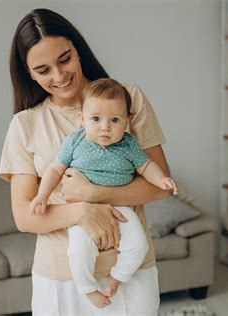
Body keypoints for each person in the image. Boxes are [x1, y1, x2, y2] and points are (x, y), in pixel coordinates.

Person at [0, 8, 172, 315]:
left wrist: (93, 194)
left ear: (78, 50)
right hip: (61, 277)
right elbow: (25, 217)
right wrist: (81, 211)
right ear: (28, 73)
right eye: (43, 70)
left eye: (65, 59)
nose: (59, 76)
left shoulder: (126, 99)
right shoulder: (25, 124)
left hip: (130, 272)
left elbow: (158, 187)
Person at [28, 78, 178, 308]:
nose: (105, 126)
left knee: (139, 244)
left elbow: (147, 167)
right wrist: (42, 196)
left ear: (127, 122)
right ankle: (88, 289)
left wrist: (162, 179)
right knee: (78, 250)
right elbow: (55, 169)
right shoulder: (75, 140)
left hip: (121, 208)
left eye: (115, 120)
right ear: (82, 119)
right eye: (96, 119)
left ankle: (117, 279)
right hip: (83, 212)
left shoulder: (128, 145)